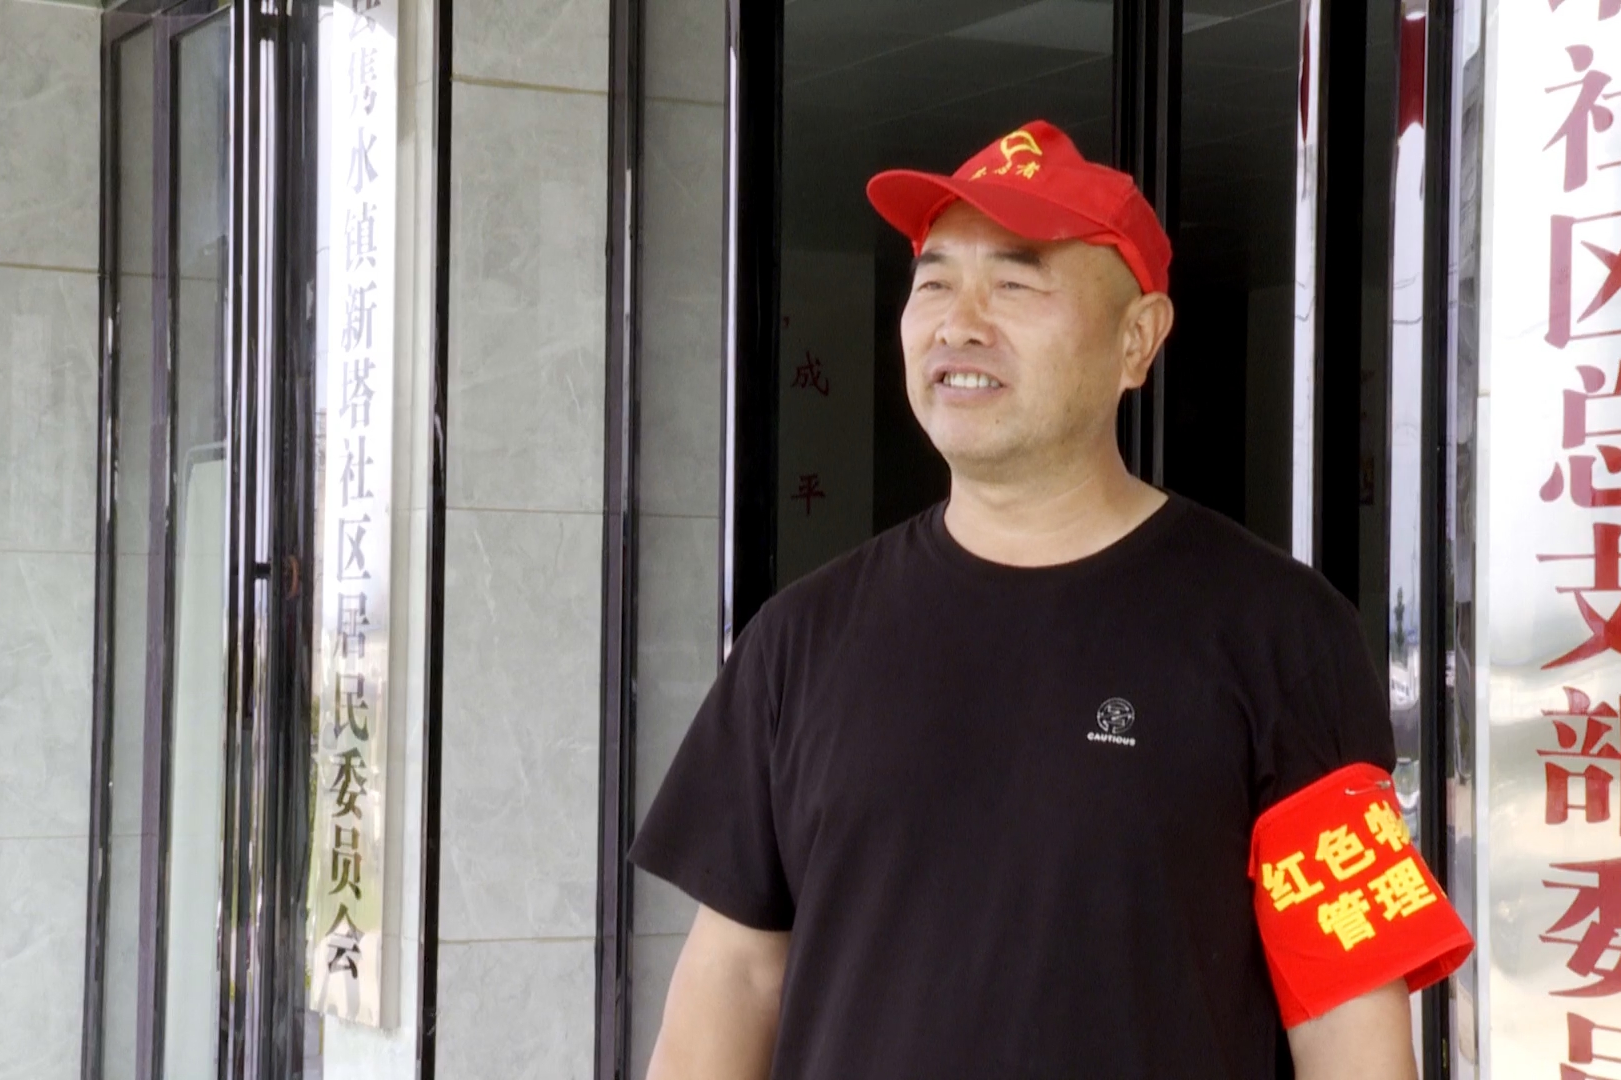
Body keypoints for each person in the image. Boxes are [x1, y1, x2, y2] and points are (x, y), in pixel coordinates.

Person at [631, 120, 1472, 1080]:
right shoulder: (800, 640)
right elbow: (735, 978)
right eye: (934, 283)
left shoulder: (1281, 631)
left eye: (1015, 284)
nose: (958, 324)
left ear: (1137, 339)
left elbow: (1348, 1015)